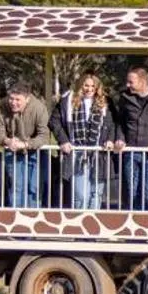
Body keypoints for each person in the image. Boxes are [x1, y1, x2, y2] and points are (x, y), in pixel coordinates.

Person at [108, 65, 148, 210]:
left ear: (143, 81)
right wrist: (120, 138)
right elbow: (120, 122)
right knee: (131, 192)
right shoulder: (125, 98)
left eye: (131, 82)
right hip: (131, 152)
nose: (128, 85)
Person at [52, 72, 112, 209]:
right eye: (86, 85)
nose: (89, 89)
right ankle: (80, 225)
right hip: (77, 154)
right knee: (80, 196)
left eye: (93, 86)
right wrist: (63, 140)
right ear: (80, 85)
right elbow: (54, 121)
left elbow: (113, 124)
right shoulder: (67, 100)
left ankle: (92, 226)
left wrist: (110, 139)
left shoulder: (106, 102)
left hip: (99, 155)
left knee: (95, 194)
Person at [0, 80, 50, 207]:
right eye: (11, 98)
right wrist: (7, 140)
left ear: (27, 99)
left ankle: (32, 219)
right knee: (16, 187)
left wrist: (25, 144)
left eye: (18, 100)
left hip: (36, 152)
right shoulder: (1, 107)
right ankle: (15, 219)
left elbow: (44, 136)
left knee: (34, 188)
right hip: (12, 151)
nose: (13, 102)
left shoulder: (39, 108)